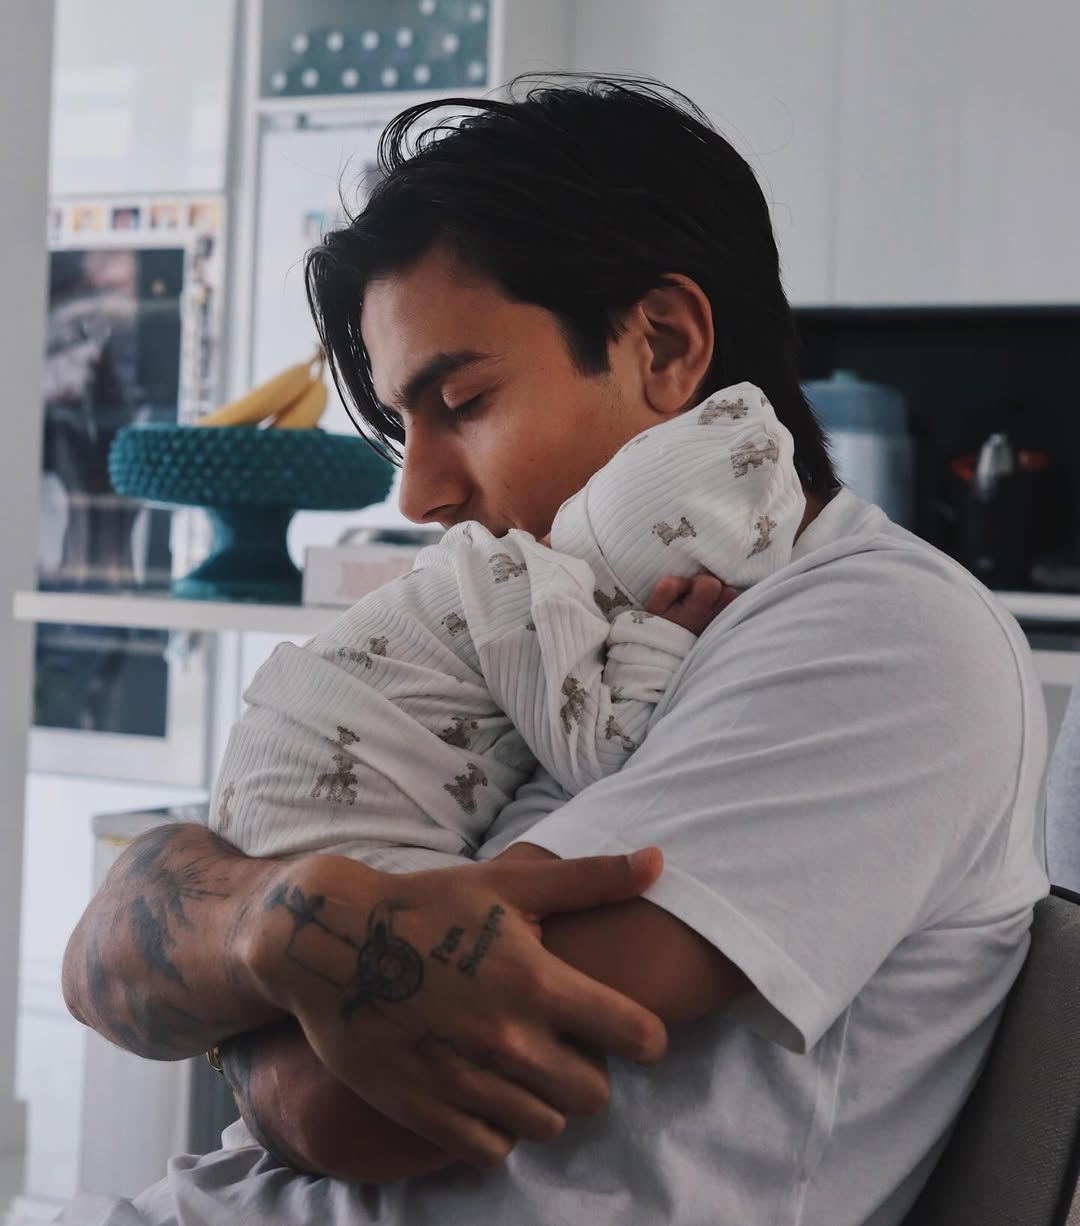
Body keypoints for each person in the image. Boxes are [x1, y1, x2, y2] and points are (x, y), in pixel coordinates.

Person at [60, 77, 1048, 1226]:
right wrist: (271, 931)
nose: (421, 493)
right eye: (403, 425)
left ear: (664, 344)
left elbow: (339, 1104)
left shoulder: (876, 635)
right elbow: (101, 959)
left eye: (464, 400)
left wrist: (247, 963)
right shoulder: (549, 623)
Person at [213, 382, 802, 872]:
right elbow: (599, 756)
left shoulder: (489, 556)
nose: (415, 500)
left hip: (264, 792)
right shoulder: (544, 600)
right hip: (309, 823)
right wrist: (664, 639)